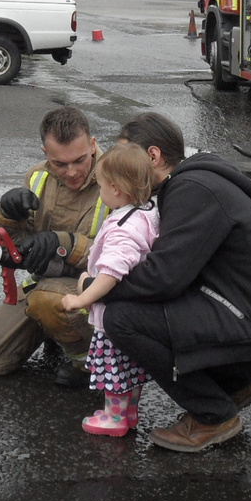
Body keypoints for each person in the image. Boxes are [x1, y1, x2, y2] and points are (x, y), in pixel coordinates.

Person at [99, 112, 251, 453]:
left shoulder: (193, 190)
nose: (121, 167)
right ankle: (232, 385)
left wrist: (101, 286)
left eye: (127, 156)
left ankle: (213, 413)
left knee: (121, 318)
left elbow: (164, 278)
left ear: (152, 156)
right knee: (144, 308)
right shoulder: (191, 183)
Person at [0, 105, 106, 385]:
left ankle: (90, 363)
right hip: (44, 286)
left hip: (100, 293)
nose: (72, 171)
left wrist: (62, 243)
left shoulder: (117, 177)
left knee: (47, 300)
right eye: (60, 164)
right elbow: (15, 250)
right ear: (45, 154)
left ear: (93, 145)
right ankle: (56, 329)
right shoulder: (37, 176)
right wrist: (7, 215)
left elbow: (126, 256)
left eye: (80, 160)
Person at [60, 144, 160, 437]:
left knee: (113, 371)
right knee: (131, 371)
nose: (99, 192)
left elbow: (112, 272)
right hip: (138, 313)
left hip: (113, 316)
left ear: (115, 189)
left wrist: (82, 298)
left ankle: (113, 418)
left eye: (101, 186)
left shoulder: (123, 228)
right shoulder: (147, 211)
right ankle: (129, 413)